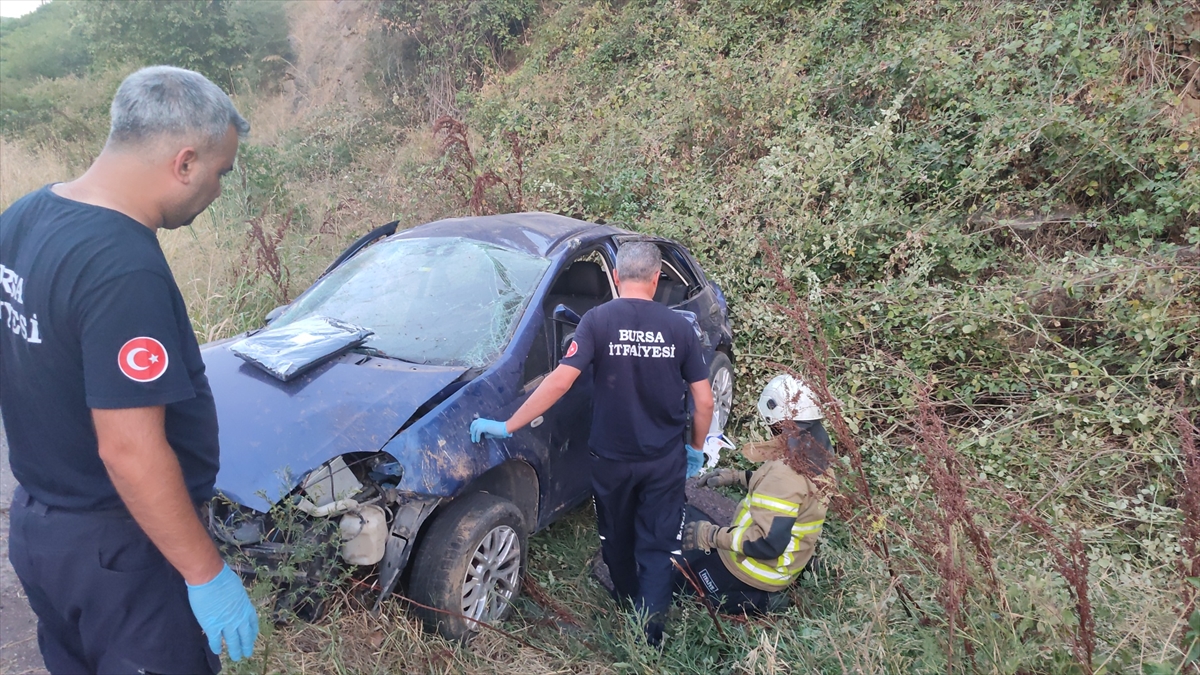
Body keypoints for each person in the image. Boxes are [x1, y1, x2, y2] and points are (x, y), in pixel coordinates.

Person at [0, 66, 258, 673]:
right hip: (122, 552)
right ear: (185, 162)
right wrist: (206, 573)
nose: (218, 190)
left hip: (42, 530)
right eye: (221, 172)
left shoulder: (24, 217)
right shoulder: (122, 269)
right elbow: (130, 450)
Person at [470, 241, 714, 646]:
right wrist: (695, 448)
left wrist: (509, 424)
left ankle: (625, 599)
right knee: (656, 546)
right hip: (663, 460)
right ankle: (650, 635)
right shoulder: (678, 328)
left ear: (617, 278)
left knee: (616, 537)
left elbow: (561, 381)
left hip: (611, 460)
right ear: (656, 279)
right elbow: (704, 400)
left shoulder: (598, 321)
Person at [676, 374, 835, 615]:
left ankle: (762, 602)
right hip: (789, 560)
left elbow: (766, 543)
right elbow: (787, 495)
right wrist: (738, 477)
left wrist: (711, 536)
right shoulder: (817, 454)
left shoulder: (785, 475)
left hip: (758, 568)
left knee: (686, 587)